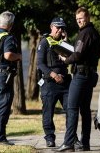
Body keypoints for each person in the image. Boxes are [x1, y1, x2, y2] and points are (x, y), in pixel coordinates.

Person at [54, 7, 100, 152]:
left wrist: (65, 59)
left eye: (81, 18)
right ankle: (85, 143)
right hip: (89, 74)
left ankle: (69, 143)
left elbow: (78, 55)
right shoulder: (94, 33)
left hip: (81, 75)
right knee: (85, 110)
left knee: (72, 107)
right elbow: (81, 52)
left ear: (88, 17)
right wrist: (68, 44)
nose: (79, 21)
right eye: (77, 19)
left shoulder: (85, 33)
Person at [0, 11, 21, 145]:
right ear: (11, 24)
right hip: (3, 75)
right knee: (3, 106)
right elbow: (8, 55)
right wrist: (18, 56)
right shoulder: (8, 37)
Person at [37, 17, 71, 147]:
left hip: (65, 82)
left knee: (71, 110)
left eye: (62, 28)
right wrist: (53, 75)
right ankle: (49, 137)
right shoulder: (45, 42)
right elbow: (40, 63)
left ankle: (71, 137)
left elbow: (71, 57)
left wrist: (66, 42)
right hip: (49, 83)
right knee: (48, 111)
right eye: (58, 27)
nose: (60, 30)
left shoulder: (64, 42)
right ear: (52, 27)